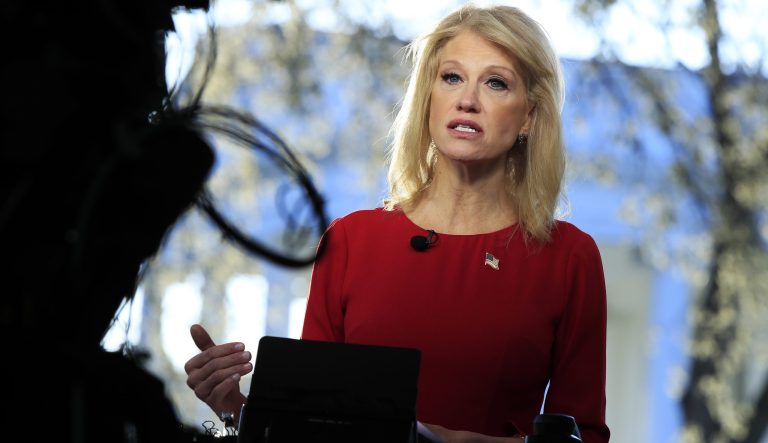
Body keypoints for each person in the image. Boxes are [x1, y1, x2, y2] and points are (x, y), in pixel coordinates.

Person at [184, 4, 610, 442]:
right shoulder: (351, 241)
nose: (468, 99)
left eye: (495, 83)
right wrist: (237, 408)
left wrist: (457, 442)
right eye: (451, 77)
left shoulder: (568, 258)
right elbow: (308, 426)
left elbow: (585, 435)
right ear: (428, 96)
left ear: (529, 118)